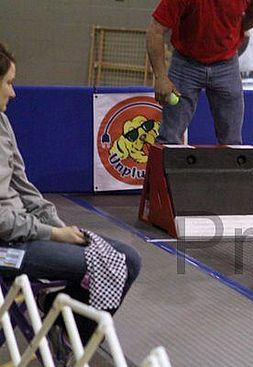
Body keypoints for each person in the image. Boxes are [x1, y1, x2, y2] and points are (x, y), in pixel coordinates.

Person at [0, 42, 141, 351]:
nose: (14, 93)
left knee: (129, 258)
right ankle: (69, 335)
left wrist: (57, 224)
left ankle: (65, 326)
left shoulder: (3, 122)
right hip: (5, 247)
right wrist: (52, 233)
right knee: (105, 263)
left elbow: (24, 187)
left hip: (27, 233)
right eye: (9, 83)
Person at [146, 0, 253, 145]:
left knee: (232, 141)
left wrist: (233, 29)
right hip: (185, 64)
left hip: (227, 65)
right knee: (169, 137)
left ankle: (229, 166)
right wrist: (161, 77)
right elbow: (155, 30)